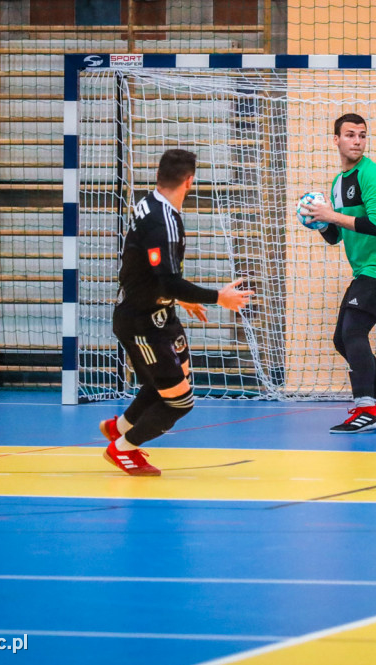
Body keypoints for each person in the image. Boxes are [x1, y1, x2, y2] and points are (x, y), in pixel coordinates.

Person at [99, 149, 253, 476]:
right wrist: (218, 297)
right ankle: (123, 449)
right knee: (180, 402)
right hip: (142, 323)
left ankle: (120, 427)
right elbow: (167, 281)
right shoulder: (162, 221)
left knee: (166, 384)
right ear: (189, 181)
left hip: (158, 314)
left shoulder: (151, 204)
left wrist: (179, 299)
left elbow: (143, 268)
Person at [301, 113, 376, 434]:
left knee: (353, 333)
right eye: (350, 135)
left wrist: (331, 214)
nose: (357, 141)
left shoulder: (373, 175)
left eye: (362, 135)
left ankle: (366, 408)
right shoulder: (337, 184)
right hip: (367, 271)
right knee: (342, 339)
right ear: (335, 139)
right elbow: (337, 236)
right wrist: (320, 222)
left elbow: (375, 225)